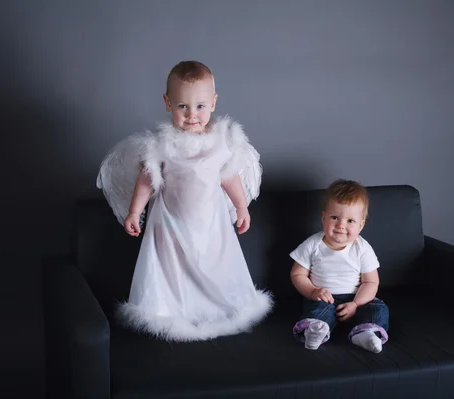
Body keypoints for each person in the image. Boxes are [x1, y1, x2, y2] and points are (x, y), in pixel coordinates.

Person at [96, 60, 272, 342]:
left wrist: (240, 206)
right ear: (168, 103)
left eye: (200, 106)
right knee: (169, 270)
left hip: (211, 224)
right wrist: (134, 212)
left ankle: (215, 309)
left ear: (213, 103)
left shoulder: (220, 143)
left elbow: (229, 177)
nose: (192, 115)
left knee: (215, 265)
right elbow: (147, 181)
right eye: (182, 107)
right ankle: (171, 311)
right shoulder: (162, 145)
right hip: (169, 223)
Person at [289, 179, 389, 353]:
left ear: (361, 225)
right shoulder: (313, 244)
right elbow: (297, 274)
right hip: (325, 297)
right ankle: (315, 331)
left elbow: (371, 282)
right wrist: (313, 291)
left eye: (350, 220)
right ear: (323, 217)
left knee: (378, 308)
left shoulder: (362, 248)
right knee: (319, 310)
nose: (341, 225)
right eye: (334, 217)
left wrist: (356, 304)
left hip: (357, 298)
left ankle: (366, 333)